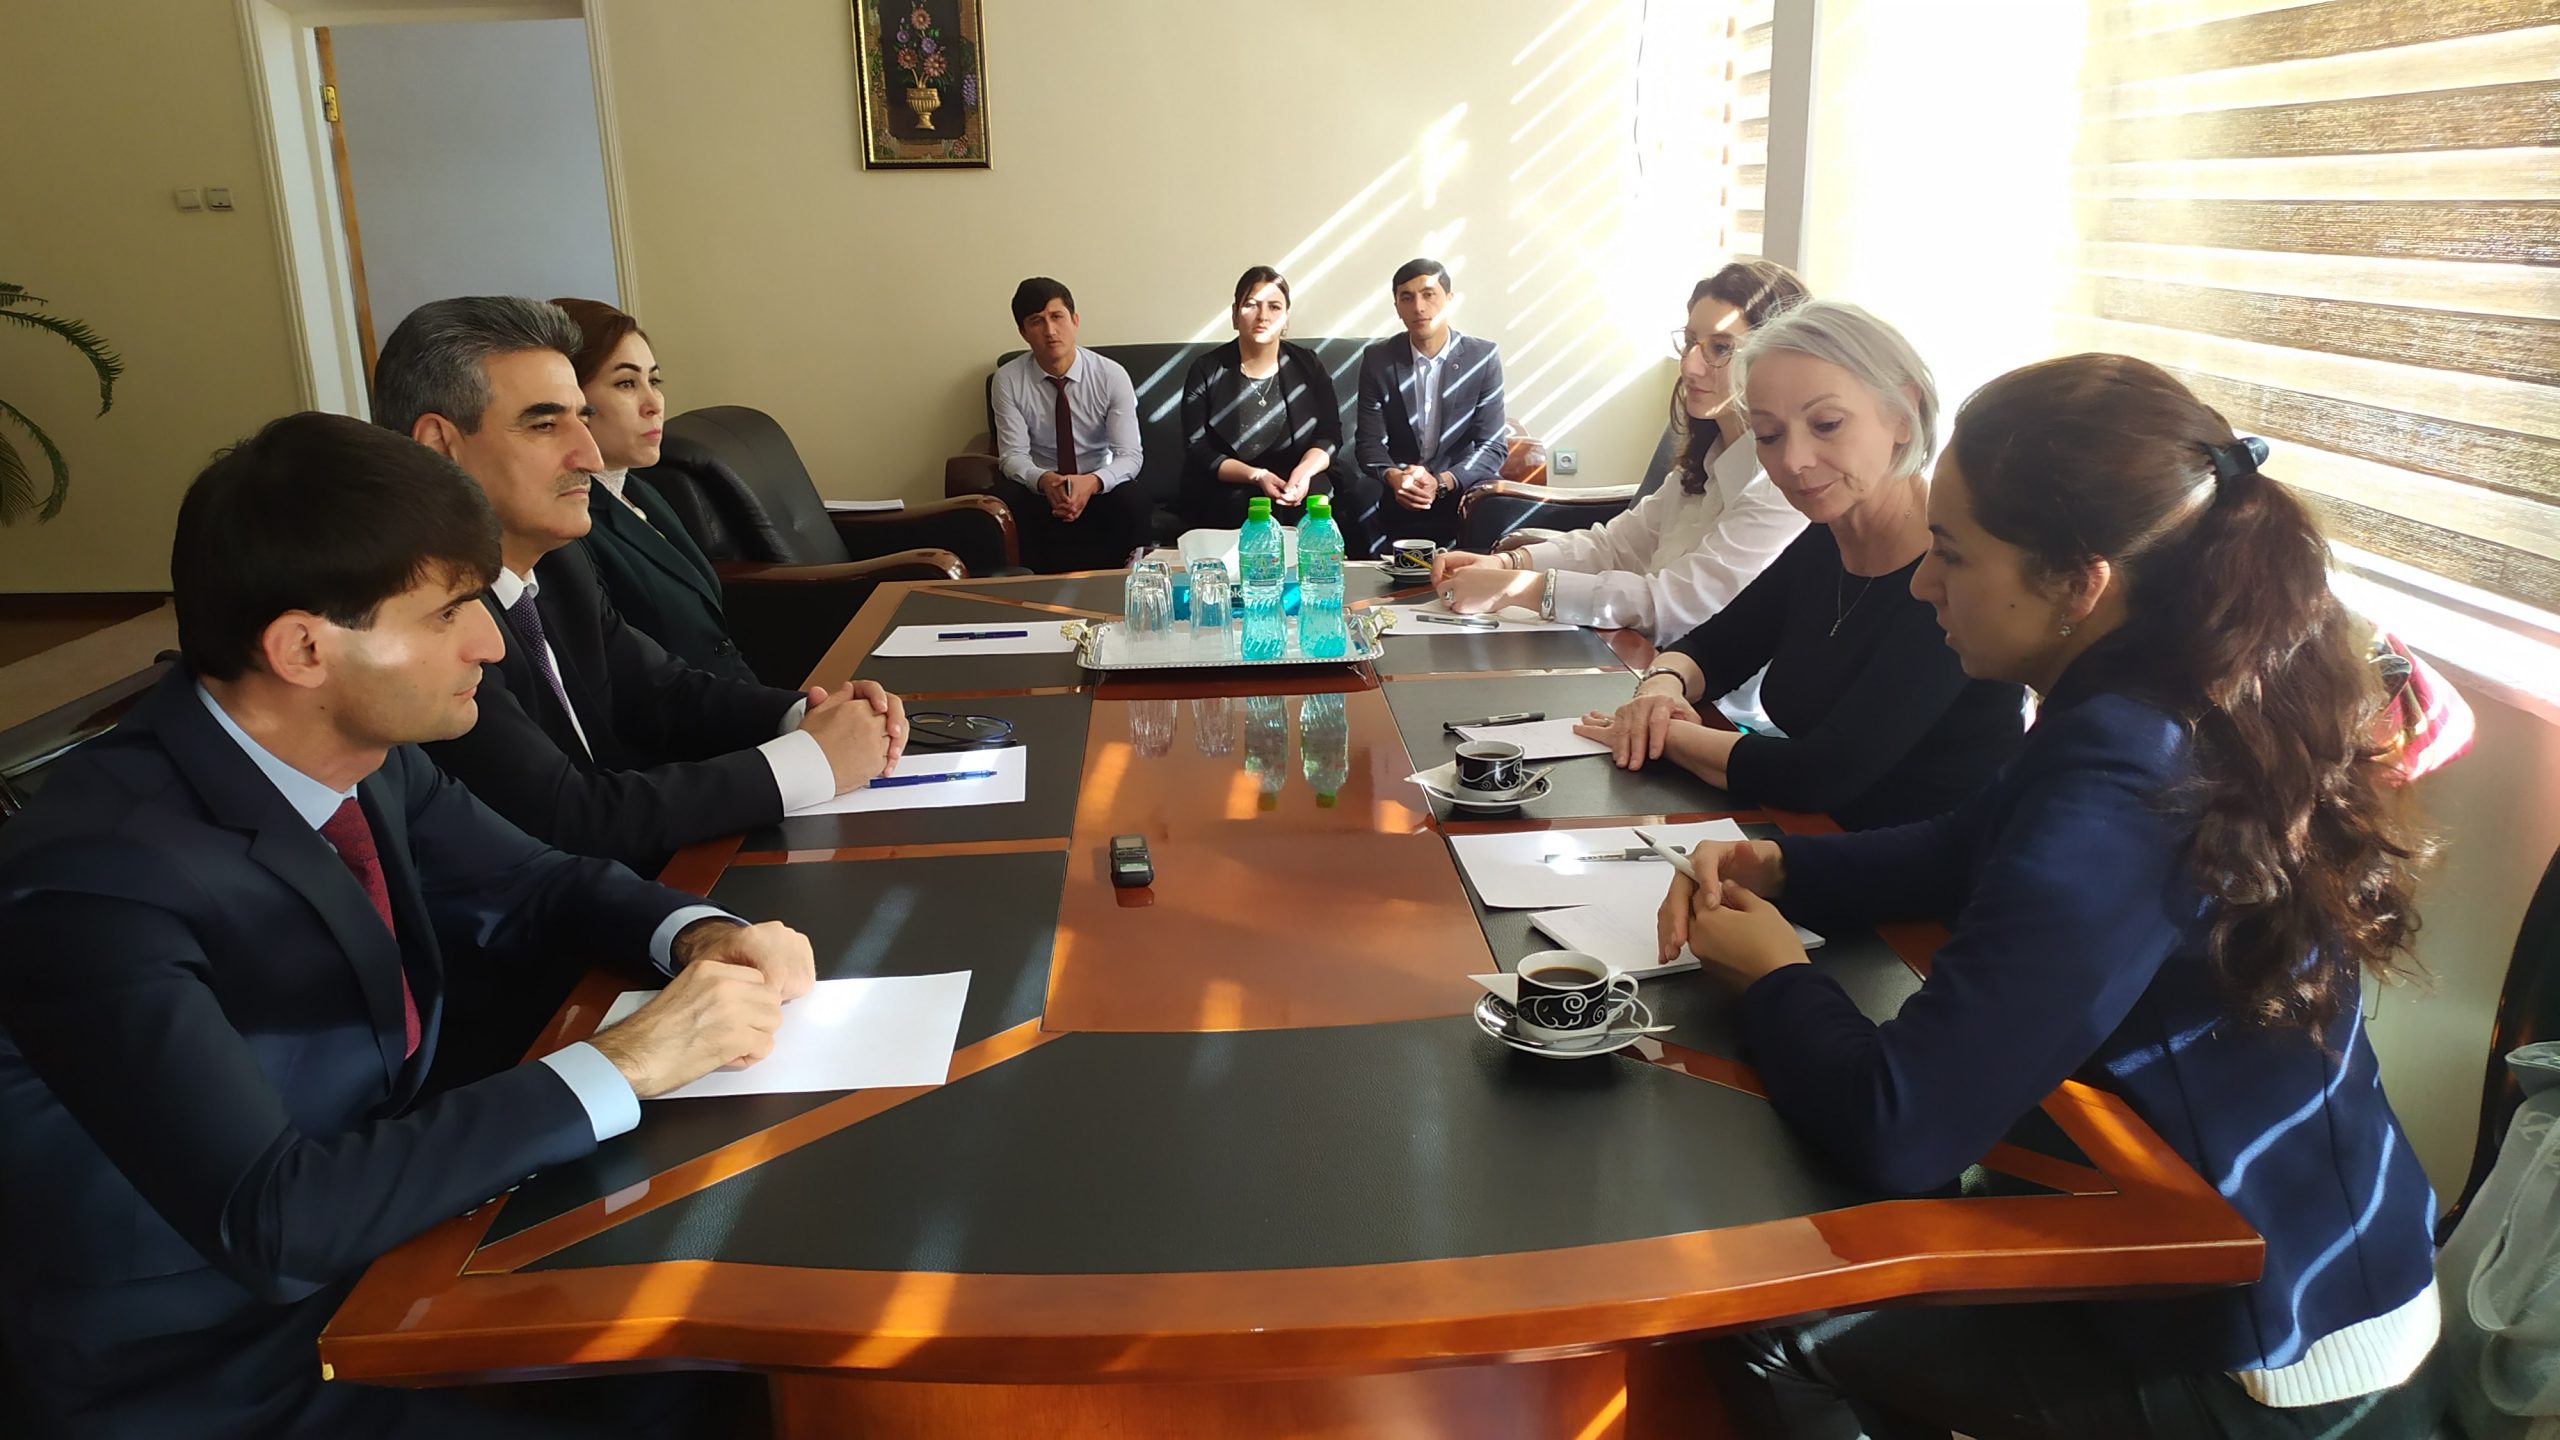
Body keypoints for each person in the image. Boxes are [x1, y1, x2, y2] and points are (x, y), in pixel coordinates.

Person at [1662, 354, 2445, 1437]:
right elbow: (1967, 844)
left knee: (1757, 1317)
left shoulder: (2133, 773)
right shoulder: (2152, 696)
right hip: (2259, 1232)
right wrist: (1785, 868)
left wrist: (1774, 979)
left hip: (2265, 1339)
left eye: (1950, 555)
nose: (1924, 585)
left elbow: (1902, 1126)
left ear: (2080, 582)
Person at [0, 412, 814, 1438]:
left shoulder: (364, 758)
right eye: (447, 613)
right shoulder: (95, 878)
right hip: (216, 1367)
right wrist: (630, 1060)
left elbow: (539, 883)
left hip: (391, 1253)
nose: (490, 644)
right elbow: (277, 1216)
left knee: (729, 1357)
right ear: (304, 648)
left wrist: (696, 934)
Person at [372, 296, 906, 879]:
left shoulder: (560, 561)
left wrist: (811, 714)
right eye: (545, 424)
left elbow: (662, 691)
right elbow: (568, 818)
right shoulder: (419, 620)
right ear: (440, 446)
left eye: (582, 418)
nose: (588, 454)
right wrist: (812, 760)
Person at [1574, 301, 2024, 829]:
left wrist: (1662, 733)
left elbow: (1823, 773)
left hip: (1912, 866)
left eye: (1827, 425)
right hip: (1804, 834)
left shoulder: (1953, 577)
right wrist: (1661, 686)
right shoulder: (1826, 538)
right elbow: (1714, 647)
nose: (1793, 461)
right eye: (1769, 435)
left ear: (1903, 415)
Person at [1429, 259, 1811, 642]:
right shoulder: (1706, 458)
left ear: (1774, 361)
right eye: (1690, 341)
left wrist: (1518, 588)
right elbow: (1615, 546)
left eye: (1721, 347)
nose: (1690, 366)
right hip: (1638, 656)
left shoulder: (1781, 485)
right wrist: (1506, 563)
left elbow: (1677, 605)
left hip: (1692, 676)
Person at [551, 296, 758, 684]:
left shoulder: (640, 489)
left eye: (654, 381)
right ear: (569, 400)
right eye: (626, 383)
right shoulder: (567, 528)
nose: (654, 404)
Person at [1341, 258, 1510, 556]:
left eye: (1428, 294)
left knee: (1494, 499)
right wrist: (1395, 477)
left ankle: (1478, 579)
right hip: (1399, 484)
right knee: (1359, 496)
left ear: (1449, 299)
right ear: (1397, 307)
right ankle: (1371, 580)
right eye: (1407, 298)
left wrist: (1442, 482)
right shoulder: (1379, 359)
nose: (1418, 307)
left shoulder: (1482, 356)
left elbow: (1492, 446)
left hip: (1457, 482)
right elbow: (1369, 443)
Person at [988, 276, 1151, 572]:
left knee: (1133, 498)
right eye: (1036, 321)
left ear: (1075, 320)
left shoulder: (1111, 375)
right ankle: (1024, 587)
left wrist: (1092, 482)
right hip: (1041, 491)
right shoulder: (1008, 380)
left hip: (1097, 487)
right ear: (1023, 332)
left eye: (1057, 317)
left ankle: (1129, 582)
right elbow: (1012, 456)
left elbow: (1130, 455)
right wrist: (1044, 480)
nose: (1050, 331)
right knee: (1005, 497)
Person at [1177, 265, 1346, 535]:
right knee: (1240, 503)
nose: (1263, 316)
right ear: (1235, 314)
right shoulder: (1206, 369)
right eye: (1251, 305)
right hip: (1230, 481)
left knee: (1321, 499)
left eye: (1274, 307)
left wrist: (1304, 472)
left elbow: (1329, 434)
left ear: (1287, 317)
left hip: (1298, 477)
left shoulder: (1308, 364)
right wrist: (1257, 476)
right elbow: (1198, 448)